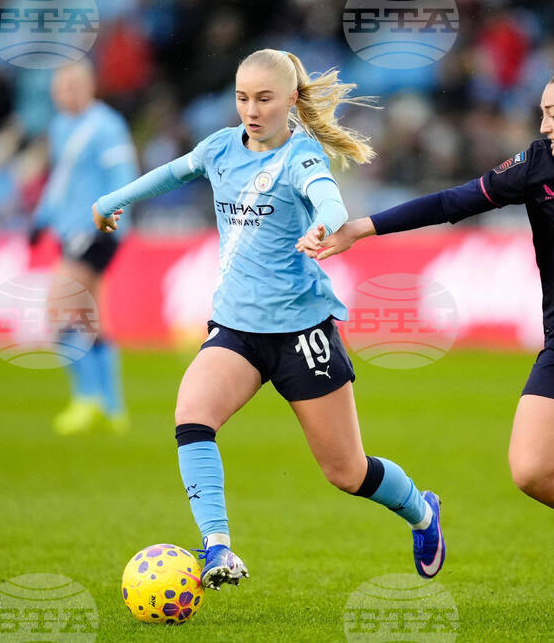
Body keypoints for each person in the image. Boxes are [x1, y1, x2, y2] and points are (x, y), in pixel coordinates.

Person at [299, 64, 554, 625]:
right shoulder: (537, 164)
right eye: (542, 114)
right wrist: (363, 228)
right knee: (533, 471)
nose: (544, 125)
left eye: (553, 114)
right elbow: (453, 203)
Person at [91, 49, 445, 589]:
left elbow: (329, 201)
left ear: (291, 100)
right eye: (242, 99)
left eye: (263, 99)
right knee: (192, 416)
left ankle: (421, 512)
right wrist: (113, 200)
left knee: (346, 471)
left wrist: (322, 227)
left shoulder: (301, 156)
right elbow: (170, 173)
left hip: (302, 333)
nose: (251, 111)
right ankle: (217, 548)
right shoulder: (220, 148)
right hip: (236, 329)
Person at [31, 60, 137, 435]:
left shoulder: (106, 126)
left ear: (90, 87)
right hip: (69, 231)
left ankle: (86, 398)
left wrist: (112, 219)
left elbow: (123, 176)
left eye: (73, 86)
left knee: (58, 309)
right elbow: (62, 180)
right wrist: (41, 218)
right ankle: (113, 407)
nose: (66, 94)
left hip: (95, 231)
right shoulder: (61, 126)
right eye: (60, 88)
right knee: (91, 318)